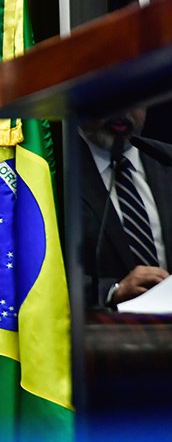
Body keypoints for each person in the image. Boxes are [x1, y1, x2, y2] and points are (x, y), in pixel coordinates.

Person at [80, 107, 172, 309]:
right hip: (96, 332)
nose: (121, 110)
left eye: (133, 100)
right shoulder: (53, 168)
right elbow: (38, 271)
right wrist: (112, 291)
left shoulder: (166, 161)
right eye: (110, 98)